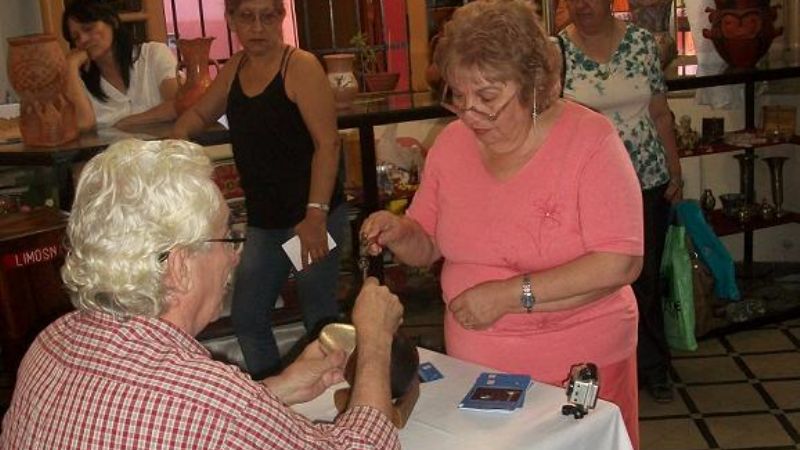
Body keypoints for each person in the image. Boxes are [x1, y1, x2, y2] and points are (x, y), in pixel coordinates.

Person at [360, 1, 643, 447]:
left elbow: (620, 262)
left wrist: (509, 296)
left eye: (488, 97)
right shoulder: (452, 145)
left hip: (577, 365)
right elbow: (429, 242)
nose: (469, 113)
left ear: (532, 84)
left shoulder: (590, 140)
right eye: (457, 94)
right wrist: (400, 233)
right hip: (476, 368)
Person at [0, 139, 402, 449]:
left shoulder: (52, 343)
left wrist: (273, 391)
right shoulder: (204, 398)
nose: (235, 255)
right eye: (226, 237)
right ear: (178, 266)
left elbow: (162, 421)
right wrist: (375, 342)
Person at [172, 0, 346, 380]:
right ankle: (275, 405)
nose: (257, 26)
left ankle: (338, 405)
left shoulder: (299, 66)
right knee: (248, 318)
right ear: (231, 20)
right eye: (246, 16)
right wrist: (176, 144)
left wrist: (315, 215)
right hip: (266, 223)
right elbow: (200, 113)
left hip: (309, 219)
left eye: (268, 15)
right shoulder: (235, 67)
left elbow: (328, 145)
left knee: (320, 321)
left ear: (282, 18)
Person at [557, 0, 683, 404]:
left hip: (646, 178)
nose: (582, 5)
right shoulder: (555, 52)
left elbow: (661, 113)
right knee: (599, 281)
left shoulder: (644, 44)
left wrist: (674, 168)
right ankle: (606, 365)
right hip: (587, 188)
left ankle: (653, 365)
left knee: (645, 277)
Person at [63, 0, 178, 130]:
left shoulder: (153, 54)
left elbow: (179, 104)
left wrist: (126, 123)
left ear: (112, 21)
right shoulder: (77, 82)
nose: (83, 40)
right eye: (76, 38)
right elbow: (84, 125)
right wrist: (71, 67)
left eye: (88, 29)